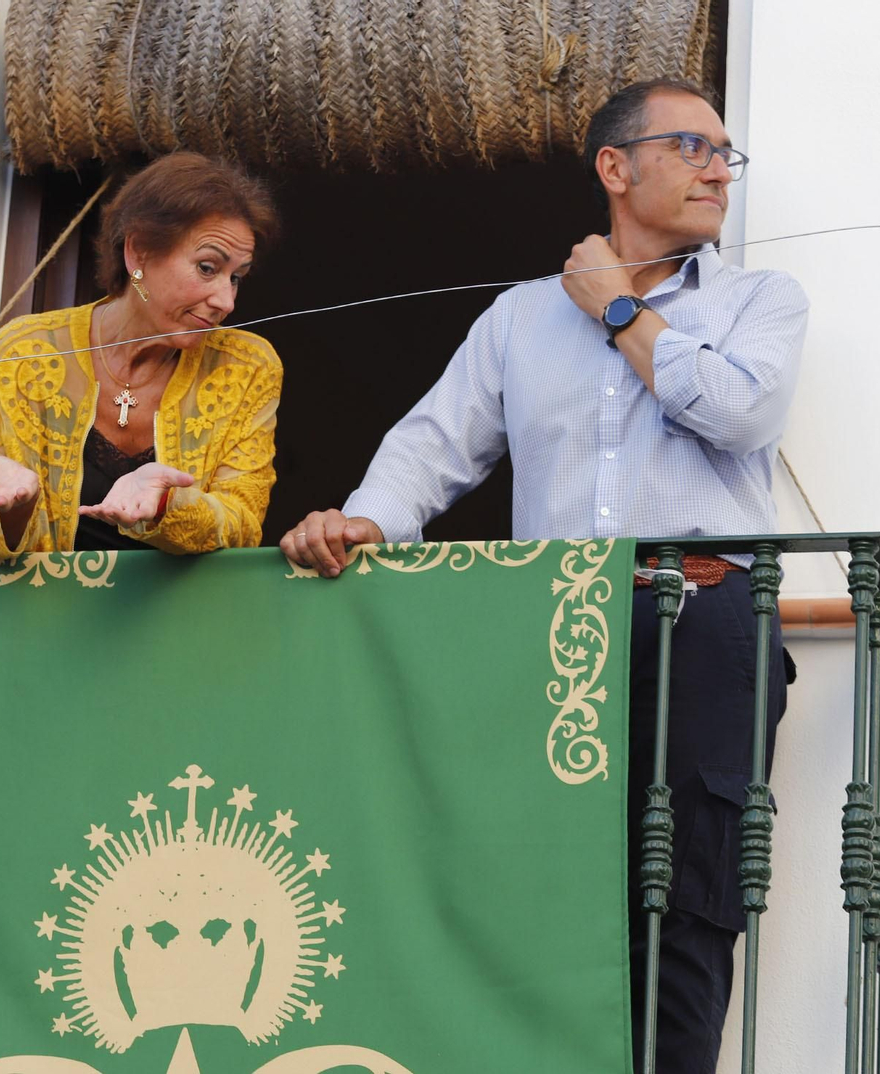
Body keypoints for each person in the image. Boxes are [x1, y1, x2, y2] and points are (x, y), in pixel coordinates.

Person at [280, 79, 806, 1074]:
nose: (718, 172)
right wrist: (363, 520)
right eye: (692, 147)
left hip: (706, 627)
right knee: (534, 892)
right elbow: (433, 447)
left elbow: (740, 414)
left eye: (726, 154)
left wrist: (616, 307)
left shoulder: (759, 301)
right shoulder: (519, 319)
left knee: (688, 905)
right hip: (553, 631)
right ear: (615, 167)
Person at [0, 152, 282, 557]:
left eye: (237, 278)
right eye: (208, 268)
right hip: (51, 598)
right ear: (138, 252)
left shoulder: (246, 366)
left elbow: (243, 526)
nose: (226, 301)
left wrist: (167, 504)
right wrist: (14, 508)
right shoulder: (25, 352)